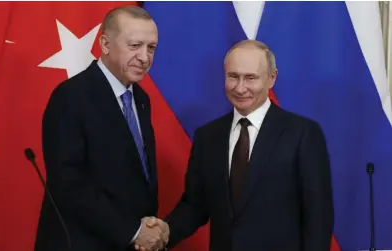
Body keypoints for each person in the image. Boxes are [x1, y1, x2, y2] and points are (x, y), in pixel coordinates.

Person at [143, 40, 334, 251]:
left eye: (250, 78)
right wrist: (166, 231)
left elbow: (318, 218)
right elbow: (195, 205)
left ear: (272, 79)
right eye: (233, 76)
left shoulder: (302, 133)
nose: (240, 87)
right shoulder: (208, 136)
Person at [35, 6, 168, 251]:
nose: (145, 57)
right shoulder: (71, 97)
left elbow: (138, 177)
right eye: (135, 45)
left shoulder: (141, 98)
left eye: (151, 48)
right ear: (105, 45)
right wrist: (133, 231)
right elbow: (68, 184)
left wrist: (148, 228)